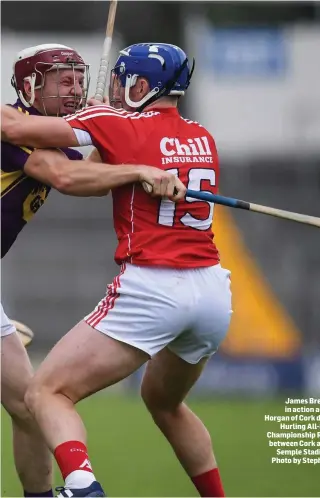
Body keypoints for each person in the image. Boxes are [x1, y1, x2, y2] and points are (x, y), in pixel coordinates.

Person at [2, 42, 232, 498]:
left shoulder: (108, 124)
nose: (75, 89)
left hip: (160, 286)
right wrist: (131, 163)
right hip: (210, 290)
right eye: (61, 80)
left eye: (77, 79)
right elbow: (64, 175)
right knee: (40, 397)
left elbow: (87, 173)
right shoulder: (200, 134)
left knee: (33, 403)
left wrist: (114, 144)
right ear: (30, 85)